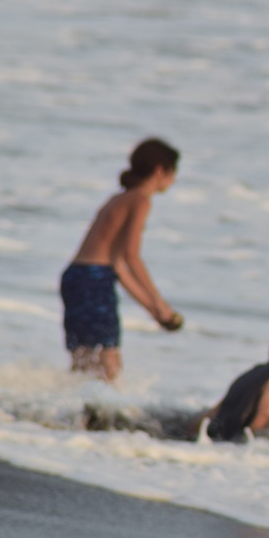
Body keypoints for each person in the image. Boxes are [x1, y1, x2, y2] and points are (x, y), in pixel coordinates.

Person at [61, 138, 183, 381]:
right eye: (173, 173)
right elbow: (131, 257)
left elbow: (116, 266)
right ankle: (103, 417)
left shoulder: (118, 198)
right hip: (93, 280)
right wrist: (159, 302)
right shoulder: (140, 200)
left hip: (78, 276)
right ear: (161, 170)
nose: (174, 180)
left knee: (83, 364)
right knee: (109, 366)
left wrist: (154, 309)